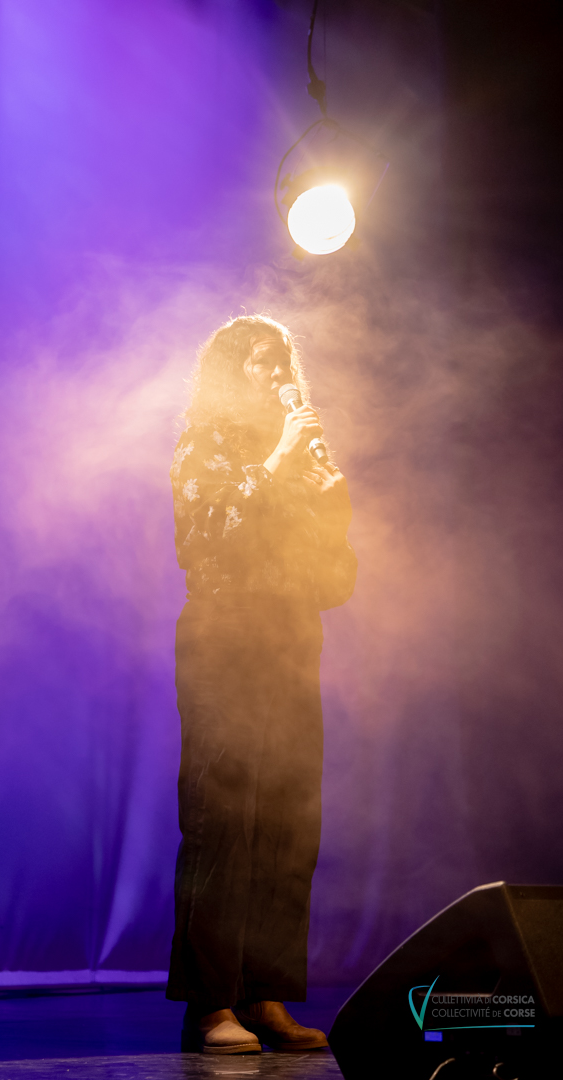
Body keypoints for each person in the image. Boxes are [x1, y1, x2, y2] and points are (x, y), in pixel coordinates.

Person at [166, 315, 357, 1054]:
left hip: (291, 644)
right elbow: (205, 537)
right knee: (222, 819)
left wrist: (332, 507)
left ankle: (263, 993)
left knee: (287, 826)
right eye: (261, 361)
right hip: (225, 639)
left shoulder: (296, 456)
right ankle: (210, 1004)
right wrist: (277, 463)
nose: (277, 374)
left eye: (283, 362)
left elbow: (334, 584)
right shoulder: (203, 443)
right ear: (229, 370)